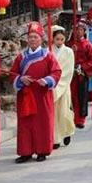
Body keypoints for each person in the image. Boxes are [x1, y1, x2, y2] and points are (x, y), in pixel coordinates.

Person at [10, 22, 62, 163]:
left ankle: (42, 151)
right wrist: (21, 79)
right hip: (26, 95)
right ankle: (25, 152)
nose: (32, 39)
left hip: (42, 94)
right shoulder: (21, 57)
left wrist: (46, 80)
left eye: (35, 37)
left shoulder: (47, 55)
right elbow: (13, 73)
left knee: (42, 122)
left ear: (41, 39)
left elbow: (56, 72)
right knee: (25, 124)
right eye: (30, 37)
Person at [68, 20, 92, 128]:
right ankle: (70, 118)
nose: (78, 32)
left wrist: (83, 67)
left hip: (81, 74)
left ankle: (80, 119)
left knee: (82, 96)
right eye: (76, 29)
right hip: (71, 74)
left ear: (84, 31)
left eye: (80, 29)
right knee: (71, 96)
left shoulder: (88, 45)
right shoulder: (69, 44)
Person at [51, 25, 75, 149]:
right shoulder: (49, 51)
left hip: (64, 85)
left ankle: (66, 132)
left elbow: (69, 69)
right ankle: (55, 138)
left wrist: (59, 82)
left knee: (64, 111)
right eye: (57, 39)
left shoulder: (69, 51)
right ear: (53, 39)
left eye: (62, 39)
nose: (59, 42)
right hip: (52, 85)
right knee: (54, 113)